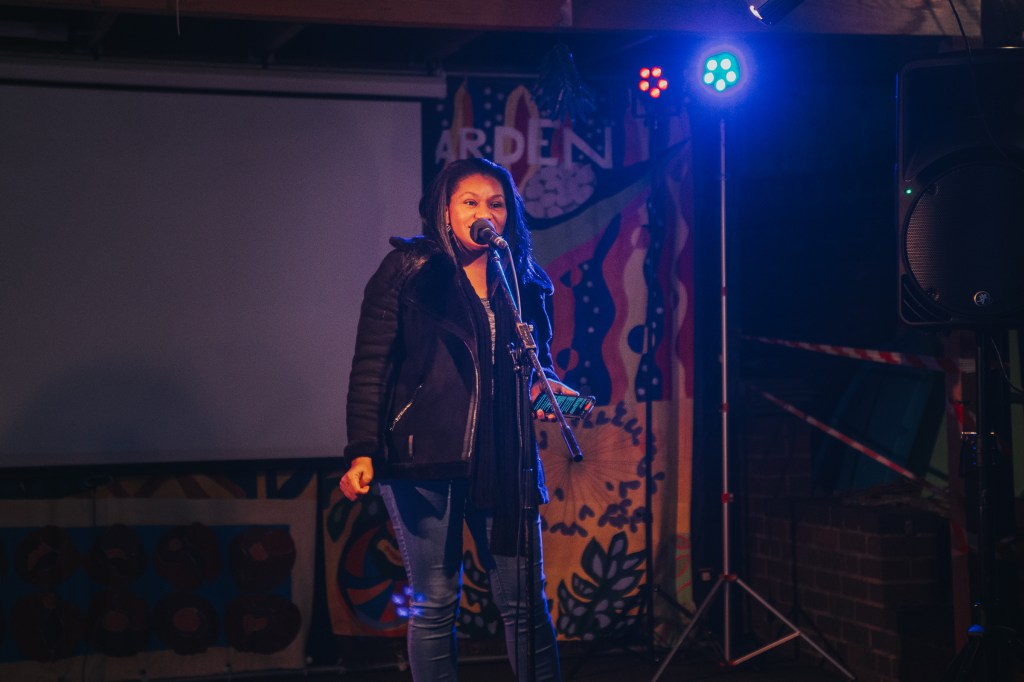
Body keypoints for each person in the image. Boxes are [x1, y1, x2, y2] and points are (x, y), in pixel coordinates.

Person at [339, 157, 576, 682]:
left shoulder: (524, 280)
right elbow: (372, 365)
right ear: (444, 210)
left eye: (496, 203)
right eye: (470, 202)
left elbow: (536, 364)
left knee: (525, 604)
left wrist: (547, 389)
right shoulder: (409, 271)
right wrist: (363, 450)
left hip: (507, 460)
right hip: (423, 460)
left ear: (509, 215)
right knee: (434, 602)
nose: (483, 213)